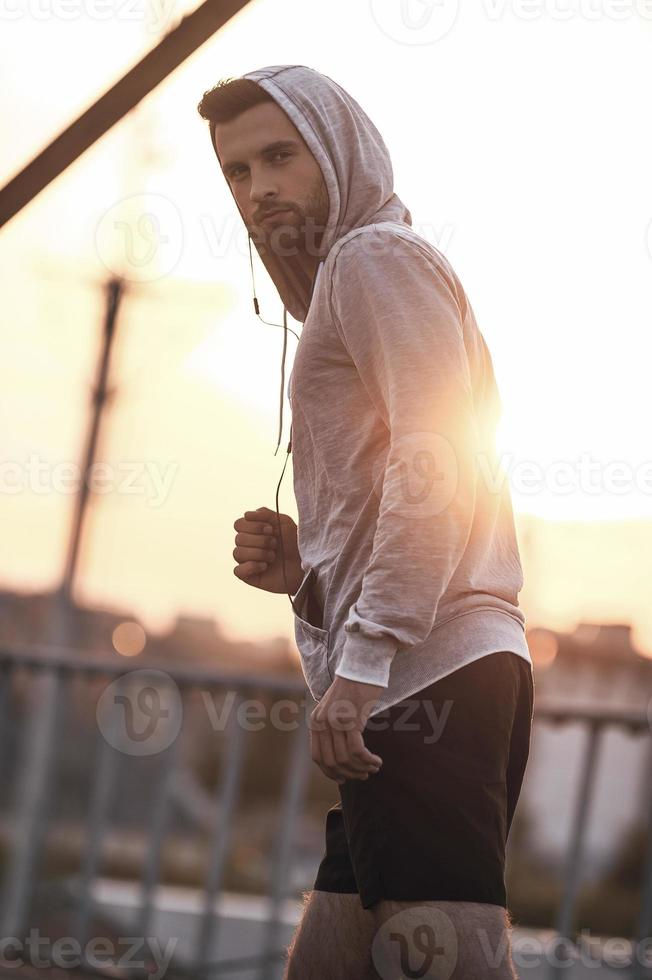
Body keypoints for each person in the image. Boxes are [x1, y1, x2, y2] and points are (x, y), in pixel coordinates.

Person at [197, 64, 535, 980]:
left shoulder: (375, 259)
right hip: (407, 687)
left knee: (449, 965)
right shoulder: (358, 280)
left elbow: (438, 460)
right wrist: (305, 567)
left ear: (339, 151)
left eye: (280, 156)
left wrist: (365, 662)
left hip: (431, 681)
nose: (258, 189)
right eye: (236, 171)